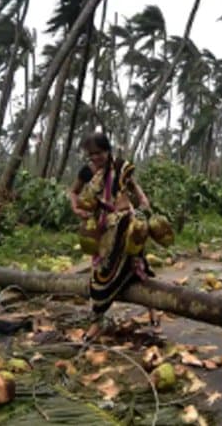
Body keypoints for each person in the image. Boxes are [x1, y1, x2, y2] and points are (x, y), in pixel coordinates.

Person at [69, 133, 155, 336]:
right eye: (91, 155)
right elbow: (73, 192)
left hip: (127, 225)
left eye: (98, 153)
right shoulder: (87, 172)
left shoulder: (120, 167)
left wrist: (143, 203)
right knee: (101, 274)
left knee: (137, 266)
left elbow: (135, 188)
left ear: (108, 151)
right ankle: (97, 321)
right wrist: (76, 208)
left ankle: (153, 310)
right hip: (104, 230)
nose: (95, 158)